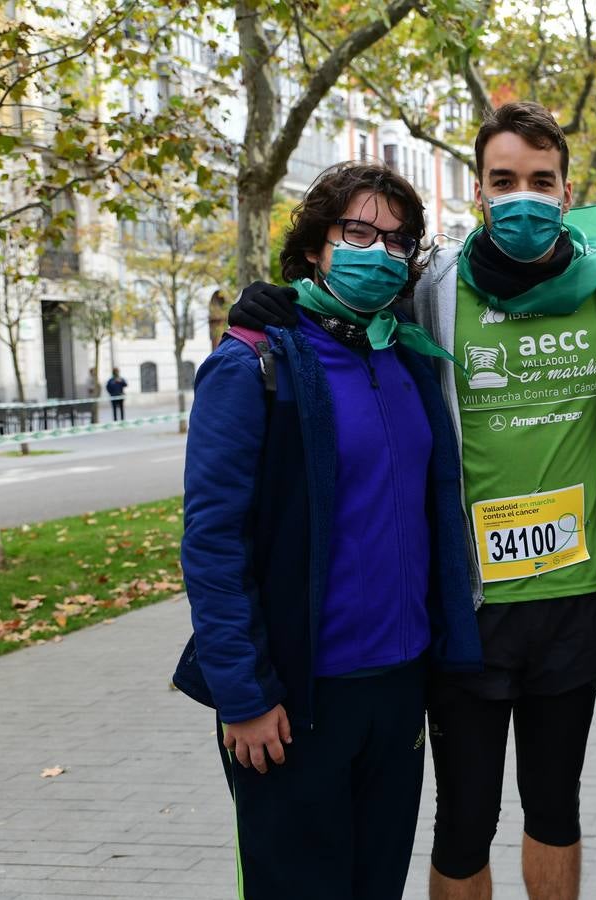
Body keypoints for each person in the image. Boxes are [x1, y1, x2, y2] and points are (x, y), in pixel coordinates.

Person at [228, 101, 596, 900]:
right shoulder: (432, 286)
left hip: (574, 599)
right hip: (467, 608)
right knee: (464, 821)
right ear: (479, 192)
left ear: (567, 192)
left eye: (542, 181)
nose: (524, 196)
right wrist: (277, 302)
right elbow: (343, 313)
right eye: (505, 180)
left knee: (556, 810)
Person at [171, 162, 481, 899]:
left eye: (398, 240)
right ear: (316, 244)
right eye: (359, 231)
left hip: (397, 689)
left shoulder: (404, 354)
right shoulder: (254, 363)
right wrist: (242, 696)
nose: (380, 251)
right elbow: (212, 544)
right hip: (294, 702)